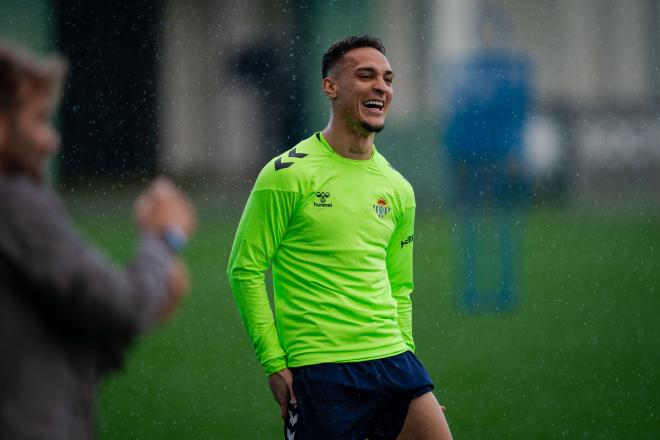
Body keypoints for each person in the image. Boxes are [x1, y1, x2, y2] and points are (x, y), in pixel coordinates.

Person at [227, 35, 453, 439]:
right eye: (364, 76)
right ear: (330, 87)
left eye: (387, 78)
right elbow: (244, 269)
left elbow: (400, 286)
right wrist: (274, 363)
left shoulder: (398, 188)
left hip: (394, 362)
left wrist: (410, 364)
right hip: (322, 370)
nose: (380, 86)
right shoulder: (286, 175)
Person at [0, 41, 197, 439]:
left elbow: (47, 350)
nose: (49, 140)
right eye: (37, 119)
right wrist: (164, 238)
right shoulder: (12, 199)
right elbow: (118, 305)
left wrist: (147, 302)